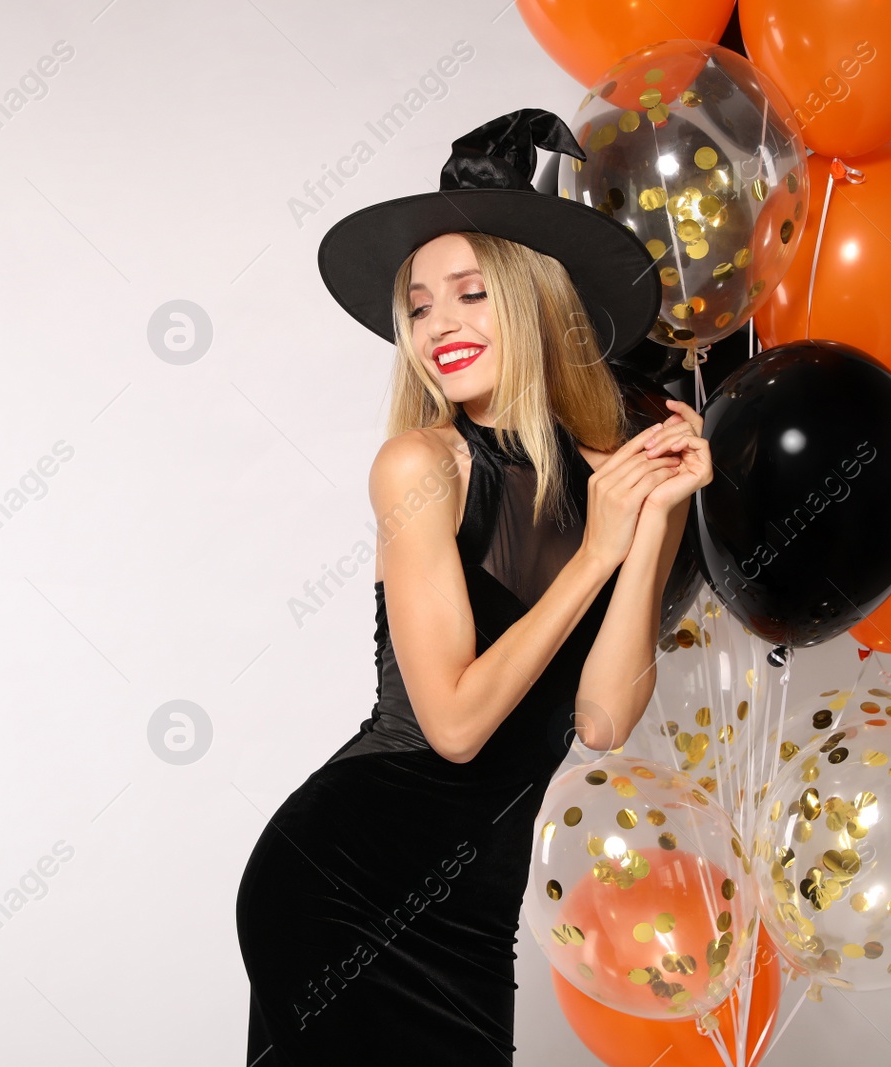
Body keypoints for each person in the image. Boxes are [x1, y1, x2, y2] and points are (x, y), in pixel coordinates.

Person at [235, 108, 713, 1064]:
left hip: (471, 914)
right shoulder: (423, 467)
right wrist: (592, 557)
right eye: (419, 305)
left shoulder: (610, 477)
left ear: (534, 298)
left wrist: (652, 523)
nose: (439, 326)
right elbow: (453, 726)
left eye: (469, 294)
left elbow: (602, 719)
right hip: (347, 880)